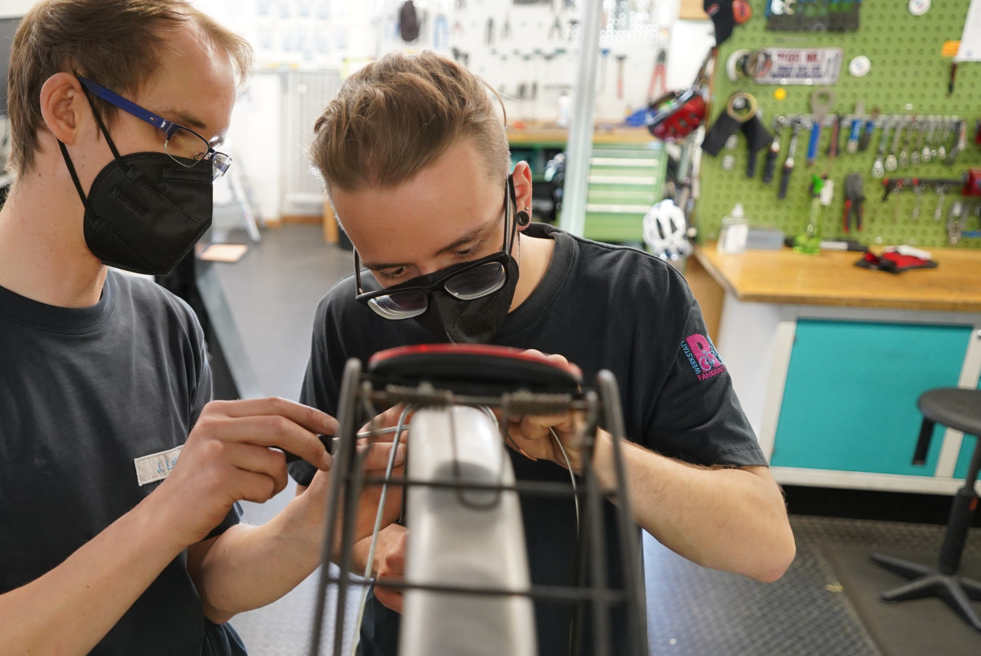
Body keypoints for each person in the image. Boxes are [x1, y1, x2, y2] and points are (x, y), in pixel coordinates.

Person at [0, 0, 397, 656]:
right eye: (179, 132)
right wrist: (167, 512)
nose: (193, 170)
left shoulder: (167, 323)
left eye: (208, 150)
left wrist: (315, 522)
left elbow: (202, 581)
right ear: (66, 108)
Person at [289, 51, 796, 655]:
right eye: (394, 272)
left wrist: (592, 449)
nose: (440, 297)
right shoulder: (351, 316)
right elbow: (319, 507)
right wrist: (378, 546)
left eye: (465, 254)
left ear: (519, 192)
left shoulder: (638, 300)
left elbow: (764, 546)